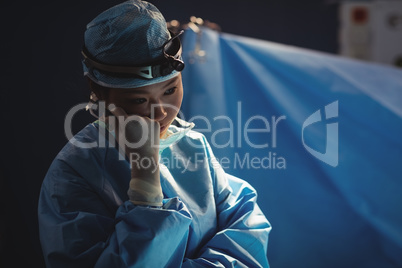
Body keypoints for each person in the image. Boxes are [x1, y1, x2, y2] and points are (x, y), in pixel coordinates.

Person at [38, 1, 271, 267]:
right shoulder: (75, 172)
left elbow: (247, 236)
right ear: (101, 96)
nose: (161, 113)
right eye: (139, 100)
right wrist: (145, 187)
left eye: (170, 90)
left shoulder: (193, 145)